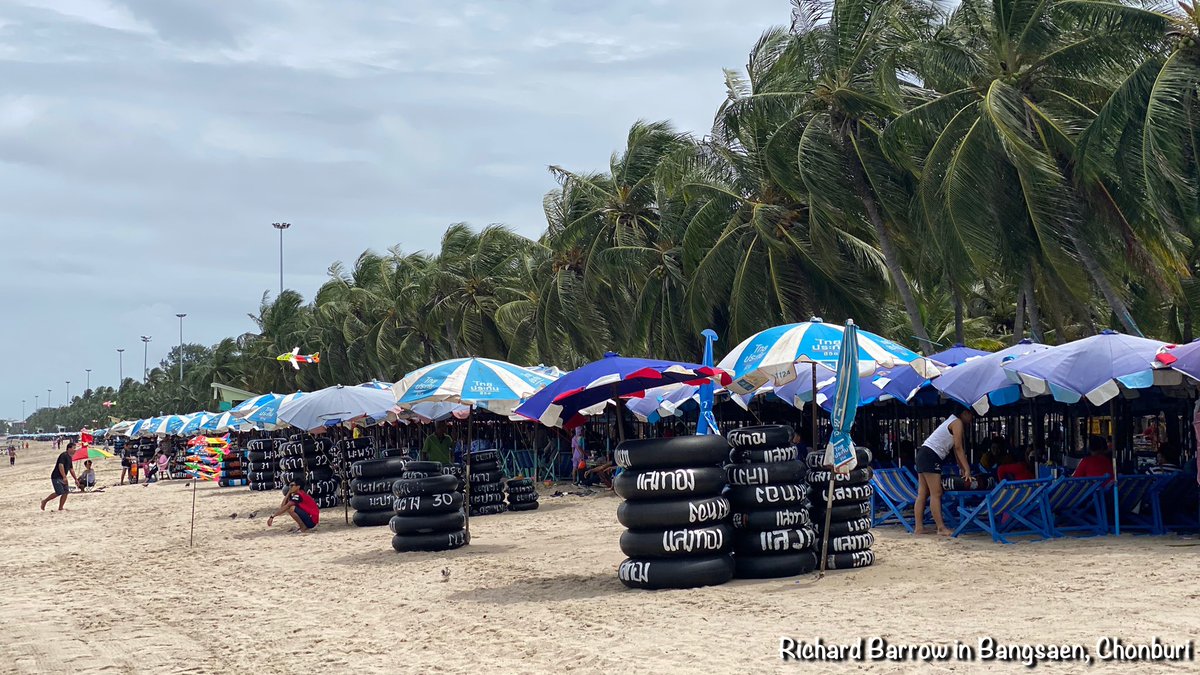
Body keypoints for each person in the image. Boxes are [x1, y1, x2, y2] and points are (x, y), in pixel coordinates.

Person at [913, 409, 974, 536]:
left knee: (923, 493)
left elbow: (955, 449)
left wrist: (961, 467)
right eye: (971, 415)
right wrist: (967, 468)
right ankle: (941, 528)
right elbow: (958, 448)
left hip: (923, 454)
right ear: (965, 413)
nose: (971, 418)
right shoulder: (957, 422)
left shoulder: (951, 420)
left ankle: (919, 528)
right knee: (937, 493)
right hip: (931, 456)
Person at [41, 441, 78, 511]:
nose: (75, 450)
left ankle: (60, 507)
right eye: (74, 448)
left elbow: (71, 469)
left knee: (66, 491)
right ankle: (45, 501)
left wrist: (76, 479)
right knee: (59, 492)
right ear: (69, 449)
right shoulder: (63, 455)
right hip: (56, 476)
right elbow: (61, 465)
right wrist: (64, 476)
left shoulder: (70, 458)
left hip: (63, 477)